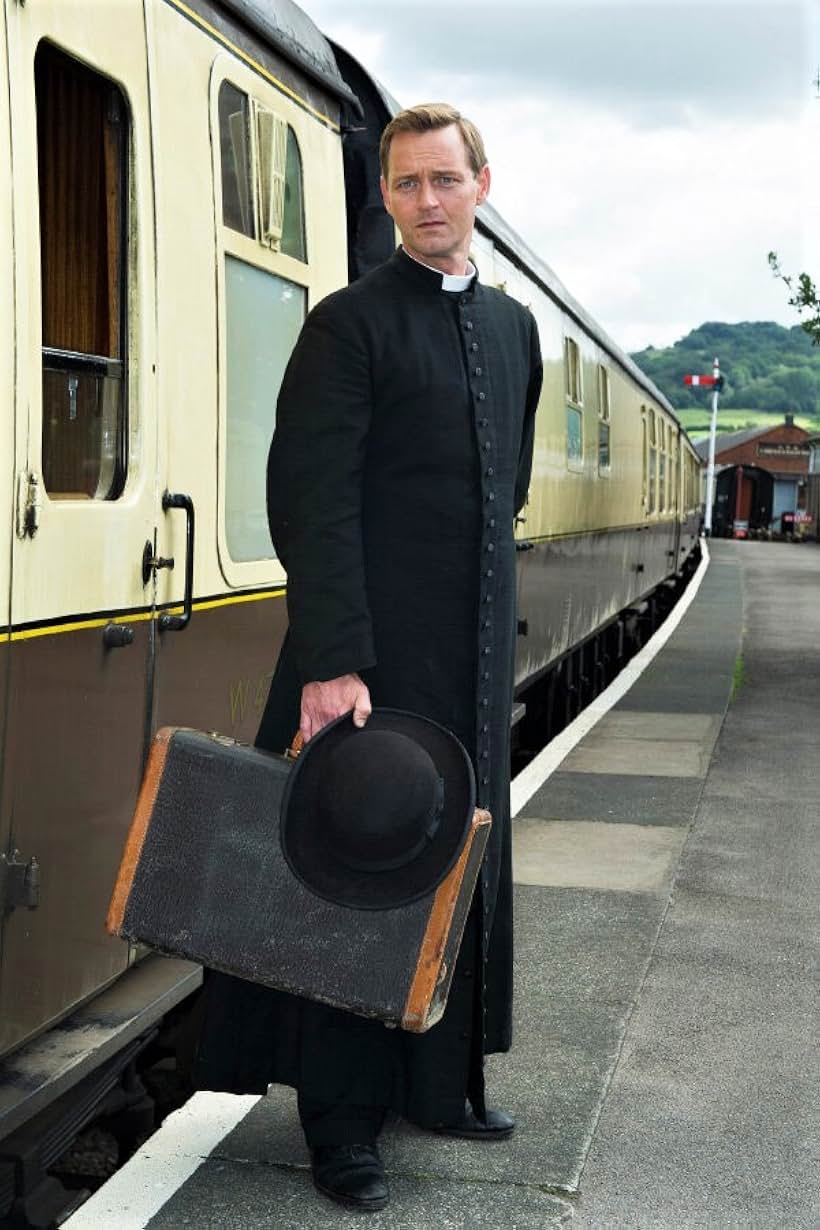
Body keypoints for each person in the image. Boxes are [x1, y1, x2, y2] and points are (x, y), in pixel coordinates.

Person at [194, 103, 542, 1213]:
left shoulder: (514, 331)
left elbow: (508, 489)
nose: (426, 201)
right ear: (385, 198)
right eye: (405, 185)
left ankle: (442, 1085)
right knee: (354, 882)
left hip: (472, 657)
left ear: (482, 182)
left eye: (444, 179)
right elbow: (312, 499)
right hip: (372, 663)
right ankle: (341, 1125)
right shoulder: (348, 325)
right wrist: (335, 659)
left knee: (459, 861)